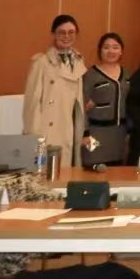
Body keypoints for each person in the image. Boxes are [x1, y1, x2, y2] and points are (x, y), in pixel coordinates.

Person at [24, 14, 87, 166]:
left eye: (71, 32)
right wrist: (34, 136)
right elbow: (32, 104)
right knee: (47, 171)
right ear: (53, 34)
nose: (66, 36)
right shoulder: (41, 62)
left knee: (68, 170)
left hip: (70, 127)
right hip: (48, 129)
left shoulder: (79, 61)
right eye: (61, 32)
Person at [81, 32, 129, 168]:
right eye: (106, 47)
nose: (111, 51)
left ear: (121, 51)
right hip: (95, 135)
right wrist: (84, 134)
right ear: (100, 50)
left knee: (118, 174)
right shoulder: (90, 75)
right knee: (94, 172)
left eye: (115, 47)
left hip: (119, 136)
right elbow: (81, 108)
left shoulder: (127, 75)